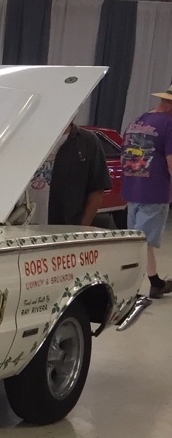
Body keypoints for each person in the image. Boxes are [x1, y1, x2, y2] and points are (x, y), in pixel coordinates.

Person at [120, 85, 172, 298]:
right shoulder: (169, 124)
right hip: (154, 191)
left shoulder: (139, 121)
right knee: (141, 244)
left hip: (133, 188)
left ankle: (155, 283)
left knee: (139, 241)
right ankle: (127, 288)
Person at [25, 122, 111, 226]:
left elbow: (97, 190)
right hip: (21, 226)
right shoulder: (24, 139)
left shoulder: (87, 141)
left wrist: (80, 229)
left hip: (64, 227)